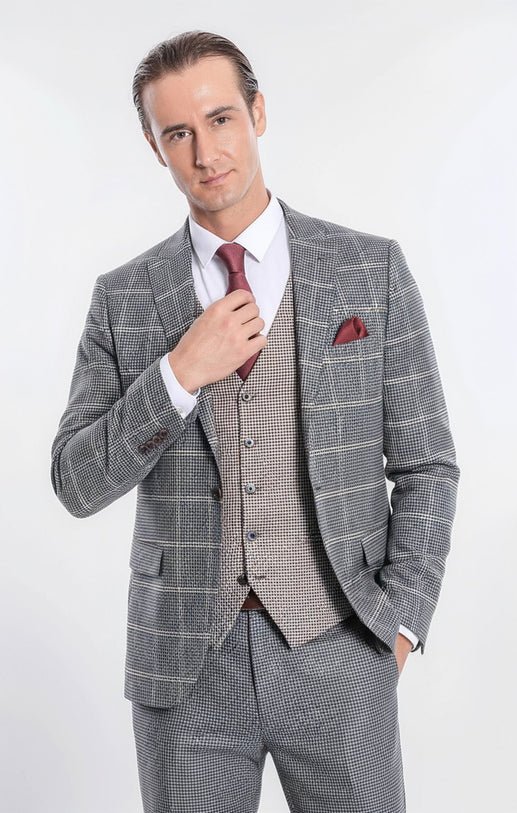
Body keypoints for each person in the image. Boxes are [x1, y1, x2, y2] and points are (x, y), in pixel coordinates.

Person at [51, 30, 460, 813]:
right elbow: (74, 481)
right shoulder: (123, 298)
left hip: (341, 649)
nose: (206, 153)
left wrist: (400, 623)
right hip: (185, 669)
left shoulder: (369, 269)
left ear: (258, 113)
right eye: (179, 132)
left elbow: (427, 465)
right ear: (154, 146)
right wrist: (177, 374)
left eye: (221, 120)